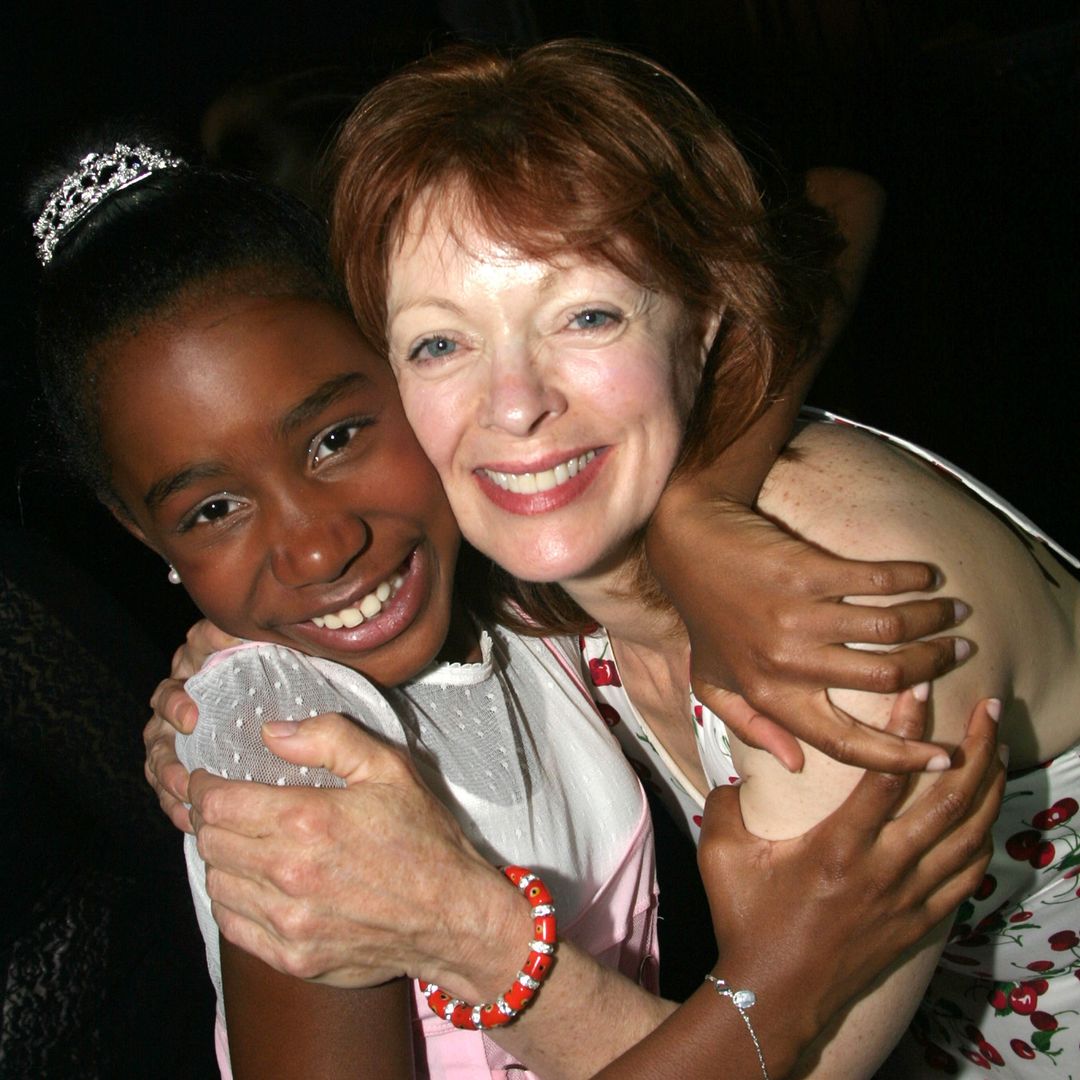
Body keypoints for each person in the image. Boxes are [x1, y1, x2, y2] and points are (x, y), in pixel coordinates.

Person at [148, 39, 1075, 1077]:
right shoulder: (538, 565)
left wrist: (467, 928)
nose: (515, 405)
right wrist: (221, 664)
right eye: (440, 344)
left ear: (707, 322)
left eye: (587, 315)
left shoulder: (848, 619)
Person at [27, 144, 661, 1078]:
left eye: (334, 438)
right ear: (143, 537)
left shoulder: (517, 585)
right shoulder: (280, 743)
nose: (317, 547)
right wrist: (804, 966)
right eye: (212, 511)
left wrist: (718, 531)